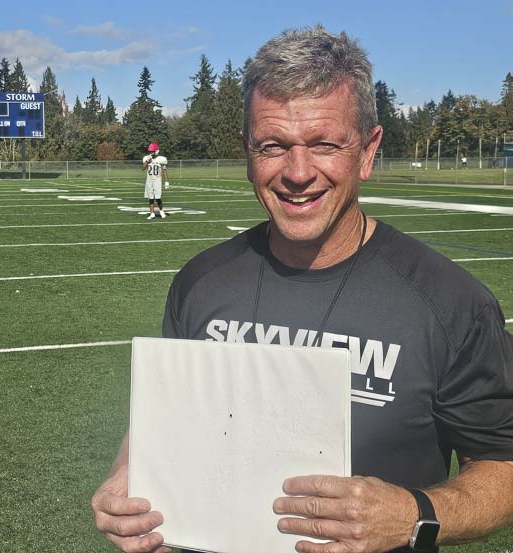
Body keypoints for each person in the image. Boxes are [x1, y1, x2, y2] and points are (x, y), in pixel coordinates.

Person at [92, 25, 513, 553]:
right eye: (273, 145)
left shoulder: (452, 302)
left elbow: (503, 460)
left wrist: (413, 514)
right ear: (248, 151)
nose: (297, 172)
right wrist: (127, 476)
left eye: (324, 144)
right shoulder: (200, 283)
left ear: (367, 151)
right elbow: (161, 421)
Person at [142, 143, 170, 220]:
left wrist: (166, 182)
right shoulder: (146, 158)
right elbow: (143, 168)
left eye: (152, 151)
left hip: (157, 180)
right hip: (149, 180)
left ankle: (161, 211)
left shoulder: (161, 159)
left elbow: (164, 171)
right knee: (150, 198)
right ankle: (152, 213)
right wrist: (147, 161)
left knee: (158, 198)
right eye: (150, 151)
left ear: (156, 151)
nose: (151, 153)